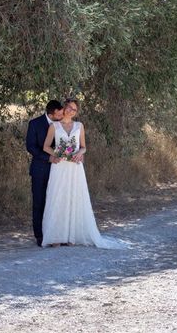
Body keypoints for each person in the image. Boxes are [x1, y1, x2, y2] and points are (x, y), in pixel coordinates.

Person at [41, 98, 126, 249]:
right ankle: (56, 236)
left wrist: (80, 153)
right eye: (69, 108)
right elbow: (46, 146)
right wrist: (57, 153)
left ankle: (71, 235)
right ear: (64, 107)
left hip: (75, 167)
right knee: (58, 198)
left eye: (74, 109)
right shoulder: (54, 126)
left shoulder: (79, 126)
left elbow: (84, 147)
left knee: (74, 198)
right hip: (60, 167)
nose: (71, 111)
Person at [25, 100, 64, 247]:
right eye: (59, 114)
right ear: (51, 113)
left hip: (59, 170)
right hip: (40, 169)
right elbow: (31, 147)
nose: (61, 116)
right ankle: (40, 235)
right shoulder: (35, 124)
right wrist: (48, 157)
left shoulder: (61, 124)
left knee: (56, 202)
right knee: (39, 202)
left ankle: (56, 234)